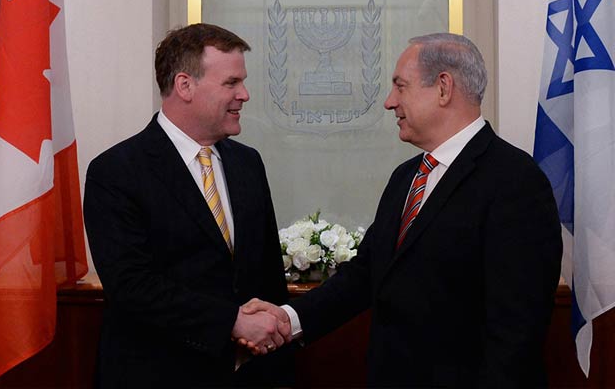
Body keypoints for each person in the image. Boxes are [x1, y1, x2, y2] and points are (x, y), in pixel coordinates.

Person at [243, 33, 563, 388]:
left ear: (443, 88)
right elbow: (366, 273)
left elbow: (516, 331)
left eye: (400, 86)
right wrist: (290, 319)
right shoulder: (407, 176)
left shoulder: (515, 182)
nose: (389, 102)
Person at [83, 23, 291, 388]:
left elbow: (267, 272)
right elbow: (132, 286)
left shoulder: (248, 163)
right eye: (231, 83)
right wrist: (232, 322)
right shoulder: (117, 171)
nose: (245, 94)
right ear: (184, 85)